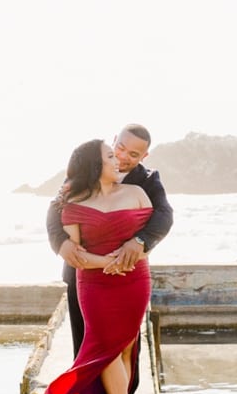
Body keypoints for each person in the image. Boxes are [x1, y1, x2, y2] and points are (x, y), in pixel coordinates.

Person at [22, 139, 154, 394]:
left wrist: (127, 258)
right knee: (104, 349)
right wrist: (109, 262)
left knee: (125, 348)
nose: (118, 159)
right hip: (94, 284)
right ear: (96, 167)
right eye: (110, 155)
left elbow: (145, 238)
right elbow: (76, 253)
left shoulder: (137, 193)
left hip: (134, 280)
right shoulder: (73, 203)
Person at [46, 124, 173, 379]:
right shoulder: (83, 174)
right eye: (120, 148)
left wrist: (140, 241)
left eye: (133, 155)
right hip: (83, 274)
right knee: (85, 344)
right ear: (115, 141)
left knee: (127, 345)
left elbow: (164, 215)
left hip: (125, 276)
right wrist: (62, 242)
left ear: (144, 157)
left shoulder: (146, 180)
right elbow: (55, 210)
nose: (124, 157)